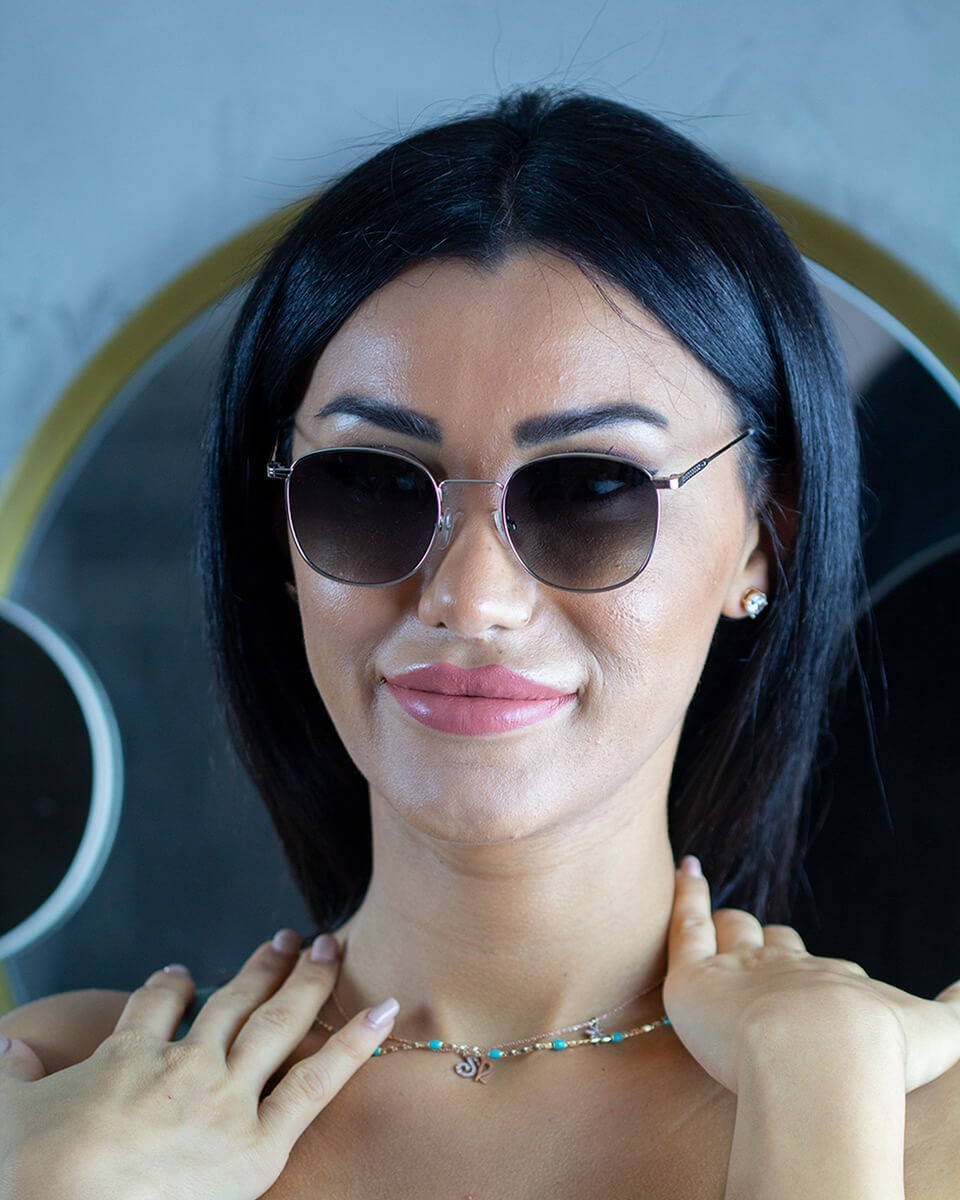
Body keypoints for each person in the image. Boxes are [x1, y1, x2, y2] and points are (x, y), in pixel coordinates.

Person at [1, 88, 958, 1199]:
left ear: (762, 538)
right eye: (367, 487)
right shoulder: (54, 1094)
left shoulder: (920, 1117)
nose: (470, 597)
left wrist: (819, 1090)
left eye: (590, 492)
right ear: (280, 533)